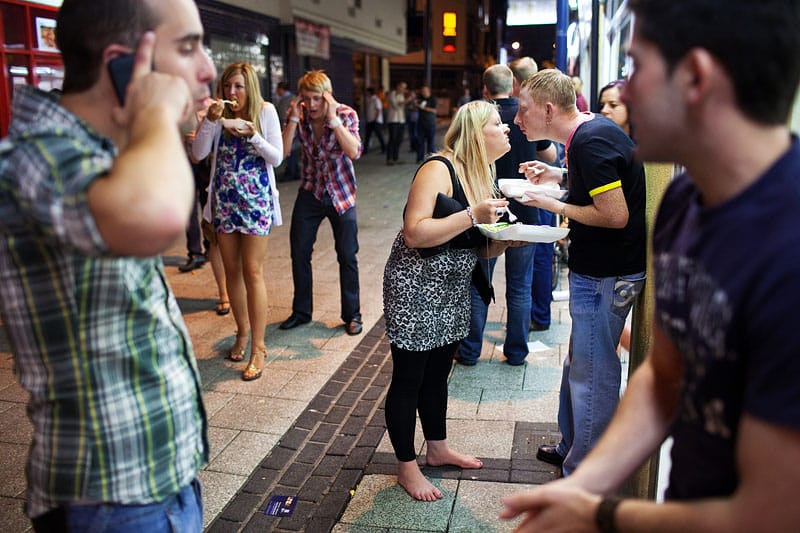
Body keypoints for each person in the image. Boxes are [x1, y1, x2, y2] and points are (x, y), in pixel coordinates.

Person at [503, 1, 800, 531]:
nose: (625, 92)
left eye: (637, 67)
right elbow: (664, 374)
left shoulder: (786, 249)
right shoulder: (686, 198)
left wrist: (603, 513)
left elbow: (770, 512)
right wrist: (582, 486)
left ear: (695, 77)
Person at [0, 0, 216, 530]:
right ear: (126, 66)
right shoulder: (40, 155)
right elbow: (161, 217)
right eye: (188, 47)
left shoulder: (107, 153)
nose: (207, 68)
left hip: (152, 485)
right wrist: (157, 113)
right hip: (110, 497)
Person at [514, 69, 646, 475]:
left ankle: (585, 474)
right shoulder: (589, 133)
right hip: (602, 273)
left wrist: (555, 206)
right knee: (580, 364)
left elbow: (615, 214)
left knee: (593, 375)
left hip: (606, 276)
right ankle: (572, 447)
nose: (518, 120)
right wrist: (558, 177)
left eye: (523, 111)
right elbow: (604, 184)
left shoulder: (589, 141)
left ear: (549, 110)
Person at [383, 100, 515, 501]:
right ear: (477, 133)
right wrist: (473, 213)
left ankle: (437, 448)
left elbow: (476, 247)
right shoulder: (438, 168)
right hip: (415, 286)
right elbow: (415, 233)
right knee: (409, 379)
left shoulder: (483, 172)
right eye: (498, 123)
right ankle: (407, 466)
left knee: (438, 374)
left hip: (453, 289)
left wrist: (510, 240)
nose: (507, 128)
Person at [457, 64, 556, 366]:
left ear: (484, 89)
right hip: (525, 209)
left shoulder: (478, 117)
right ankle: (516, 353)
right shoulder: (526, 113)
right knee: (520, 285)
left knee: (480, 283)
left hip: (486, 208)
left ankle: (470, 351)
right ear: (513, 86)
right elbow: (549, 155)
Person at [193, 62, 283, 381]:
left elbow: (277, 157)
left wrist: (254, 135)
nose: (232, 93)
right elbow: (198, 153)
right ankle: (242, 332)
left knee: (252, 270)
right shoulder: (217, 116)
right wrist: (209, 122)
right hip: (224, 201)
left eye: (239, 87)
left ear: (250, 89)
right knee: (231, 271)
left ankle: (258, 347)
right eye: (228, 86)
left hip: (256, 201)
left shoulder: (265, 111)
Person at [280, 70, 364, 335]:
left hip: (341, 194)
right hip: (310, 192)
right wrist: (293, 119)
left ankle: (353, 315)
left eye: (317, 99)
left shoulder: (346, 114)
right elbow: (281, 154)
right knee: (300, 252)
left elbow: (354, 151)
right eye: (307, 99)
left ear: (327, 97)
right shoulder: (301, 116)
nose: (312, 105)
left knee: (347, 255)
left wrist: (333, 120)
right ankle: (302, 312)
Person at [507, 56, 560, 332]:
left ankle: (471, 347)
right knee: (531, 265)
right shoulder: (537, 112)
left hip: (528, 197)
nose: (517, 120)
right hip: (534, 198)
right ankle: (537, 318)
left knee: (530, 264)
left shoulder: (533, 111)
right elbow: (552, 154)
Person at [276, 80, 301, 181]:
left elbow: (283, 116)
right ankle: (295, 172)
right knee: (293, 151)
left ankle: (291, 173)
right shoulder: (293, 98)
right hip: (294, 127)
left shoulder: (286, 100)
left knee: (290, 150)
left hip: (290, 126)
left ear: (281, 89)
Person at [386, 81, 411, 165]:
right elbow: (396, 106)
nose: (404, 89)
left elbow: (403, 106)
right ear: (398, 87)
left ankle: (395, 158)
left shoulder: (401, 95)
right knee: (392, 139)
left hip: (401, 120)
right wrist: (407, 100)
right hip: (393, 120)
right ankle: (389, 159)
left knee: (399, 139)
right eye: (403, 87)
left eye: (405, 88)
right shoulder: (392, 94)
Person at [415, 85, 438, 163]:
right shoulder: (420, 99)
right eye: (422, 91)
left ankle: (431, 159)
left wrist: (423, 108)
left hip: (430, 123)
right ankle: (419, 158)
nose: (423, 93)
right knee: (420, 142)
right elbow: (415, 107)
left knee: (431, 142)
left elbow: (435, 110)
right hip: (421, 123)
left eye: (425, 91)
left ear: (428, 91)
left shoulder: (433, 99)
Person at [363, 86, 386, 154]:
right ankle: (365, 150)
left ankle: (384, 148)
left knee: (379, 135)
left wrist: (376, 119)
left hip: (376, 121)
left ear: (370, 92)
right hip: (370, 120)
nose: (366, 93)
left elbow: (378, 110)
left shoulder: (376, 99)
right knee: (367, 136)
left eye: (367, 92)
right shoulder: (368, 99)